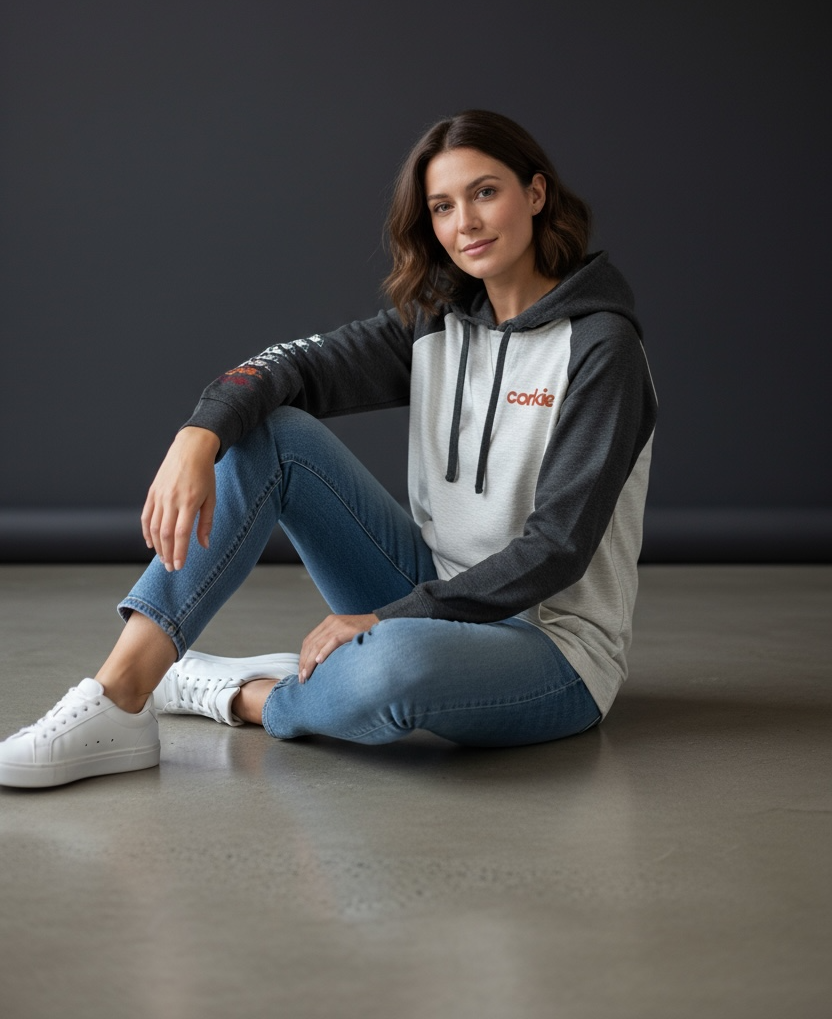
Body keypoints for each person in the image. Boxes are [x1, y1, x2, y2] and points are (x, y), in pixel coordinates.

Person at [0, 110, 657, 788]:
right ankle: (121, 696)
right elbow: (290, 365)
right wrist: (198, 433)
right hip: (429, 587)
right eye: (442, 206)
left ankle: (250, 696)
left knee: (396, 665)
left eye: (485, 192)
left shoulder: (601, 348)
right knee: (270, 433)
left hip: (551, 649)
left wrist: (385, 621)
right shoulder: (437, 325)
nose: (466, 222)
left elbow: (557, 548)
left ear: (536, 193)